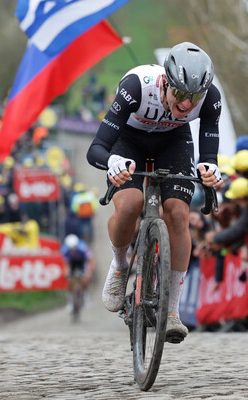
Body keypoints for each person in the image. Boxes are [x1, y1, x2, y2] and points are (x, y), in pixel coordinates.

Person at [87, 42, 223, 343]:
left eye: (194, 97)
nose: (187, 104)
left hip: (173, 142)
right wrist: (112, 162)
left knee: (177, 213)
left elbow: (209, 155)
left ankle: (172, 310)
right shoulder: (136, 87)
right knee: (130, 204)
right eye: (181, 94)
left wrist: (210, 169)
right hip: (128, 140)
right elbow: (95, 148)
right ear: (165, 82)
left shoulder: (211, 98)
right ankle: (121, 266)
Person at [61, 234, 94, 312]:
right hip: (72, 263)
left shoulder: (83, 247)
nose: (73, 251)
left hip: (82, 262)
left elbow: (91, 260)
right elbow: (66, 264)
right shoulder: (64, 249)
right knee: (69, 281)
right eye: (71, 249)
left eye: (74, 248)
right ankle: (70, 301)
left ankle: (85, 295)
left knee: (84, 278)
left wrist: (90, 271)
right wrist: (66, 273)